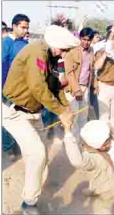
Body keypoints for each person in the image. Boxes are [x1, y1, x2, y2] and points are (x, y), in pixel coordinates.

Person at [2, 25, 79, 214]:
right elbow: (38, 87)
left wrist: (66, 108)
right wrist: (60, 111)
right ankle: (29, 203)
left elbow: (53, 85)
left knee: (41, 154)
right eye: (63, 50)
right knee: (36, 154)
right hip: (15, 113)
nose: (63, 55)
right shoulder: (37, 52)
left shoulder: (51, 57)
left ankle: (33, 189)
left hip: (33, 113)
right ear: (55, 44)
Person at [2, 14, 30, 158]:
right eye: (22, 27)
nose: (25, 30)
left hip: (23, 90)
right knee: (7, 119)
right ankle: (8, 148)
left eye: (27, 28)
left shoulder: (25, 44)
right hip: (8, 88)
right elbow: (3, 66)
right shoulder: (6, 42)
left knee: (21, 118)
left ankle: (17, 146)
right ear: (14, 26)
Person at [64, 27, 95, 142]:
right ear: (80, 38)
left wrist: (94, 85)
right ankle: (71, 142)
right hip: (73, 88)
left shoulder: (91, 51)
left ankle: (81, 142)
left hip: (85, 87)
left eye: (88, 40)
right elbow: (69, 73)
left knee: (83, 116)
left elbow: (92, 69)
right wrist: (77, 90)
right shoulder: (72, 52)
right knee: (73, 117)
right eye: (84, 39)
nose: (86, 42)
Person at [94, 30, 114, 121]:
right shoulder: (100, 52)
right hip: (104, 86)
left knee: (113, 117)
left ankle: (111, 134)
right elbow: (97, 66)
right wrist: (105, 54)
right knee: (104, 116)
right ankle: (104, 135)